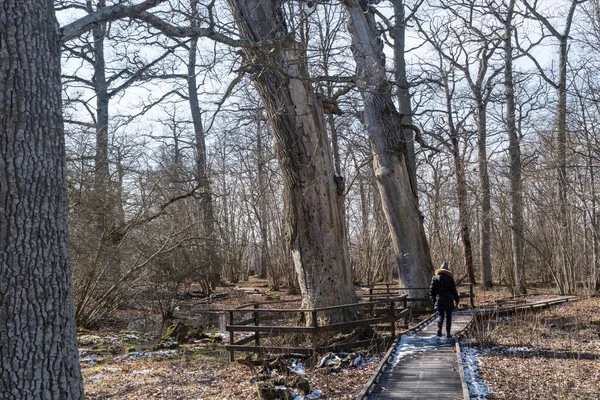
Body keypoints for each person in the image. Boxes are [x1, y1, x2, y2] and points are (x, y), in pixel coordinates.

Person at [430, 261, 460, 338]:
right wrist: (457, 300)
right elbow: (453, 291)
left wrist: (434, 301)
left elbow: (432, 291)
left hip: (439, 301)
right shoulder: (450, 279)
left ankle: (439, 329)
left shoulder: (435, 278)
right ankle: (448, 333)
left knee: (440, 315)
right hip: (449, 301)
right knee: (449, 317)